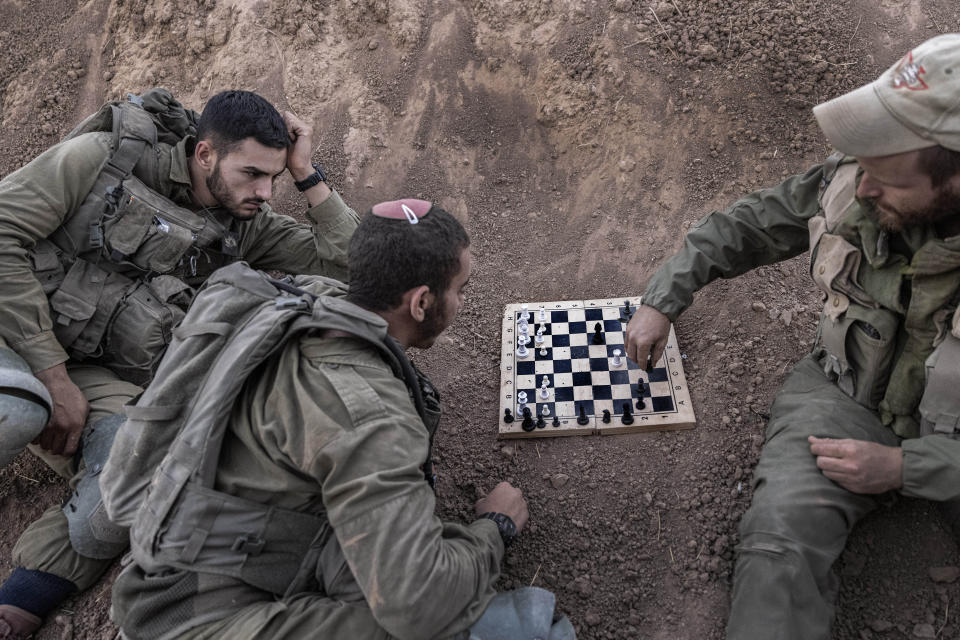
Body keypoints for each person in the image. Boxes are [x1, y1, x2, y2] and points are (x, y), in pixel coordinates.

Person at [109, 199, 575, 640]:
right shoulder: (369, 413)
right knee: (505, 627)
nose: (462, 304)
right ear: (421, 303)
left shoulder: (307, 300)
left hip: (223, 546)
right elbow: (417, 604)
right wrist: (493, 530)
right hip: (195, 614)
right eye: (460, 291)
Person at [624, 33, 960, 639]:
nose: (864, 189)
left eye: (889, 177)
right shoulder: (858, 182)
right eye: (864, 169)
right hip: (845, 399)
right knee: (777, 553)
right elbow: (747, 225)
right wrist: (664, 298)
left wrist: (906, 468)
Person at [0, 89, 359, 637]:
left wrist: (310, 176)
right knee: (19, 408)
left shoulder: (245, 222)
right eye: (252, 174)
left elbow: (350, 268)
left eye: (275, 177)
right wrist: (50, 374)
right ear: (206, 154)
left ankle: (31, 584)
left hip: (96, 370)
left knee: (142, 477)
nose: (264, 192)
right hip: (13, 337)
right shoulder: (102, 158)